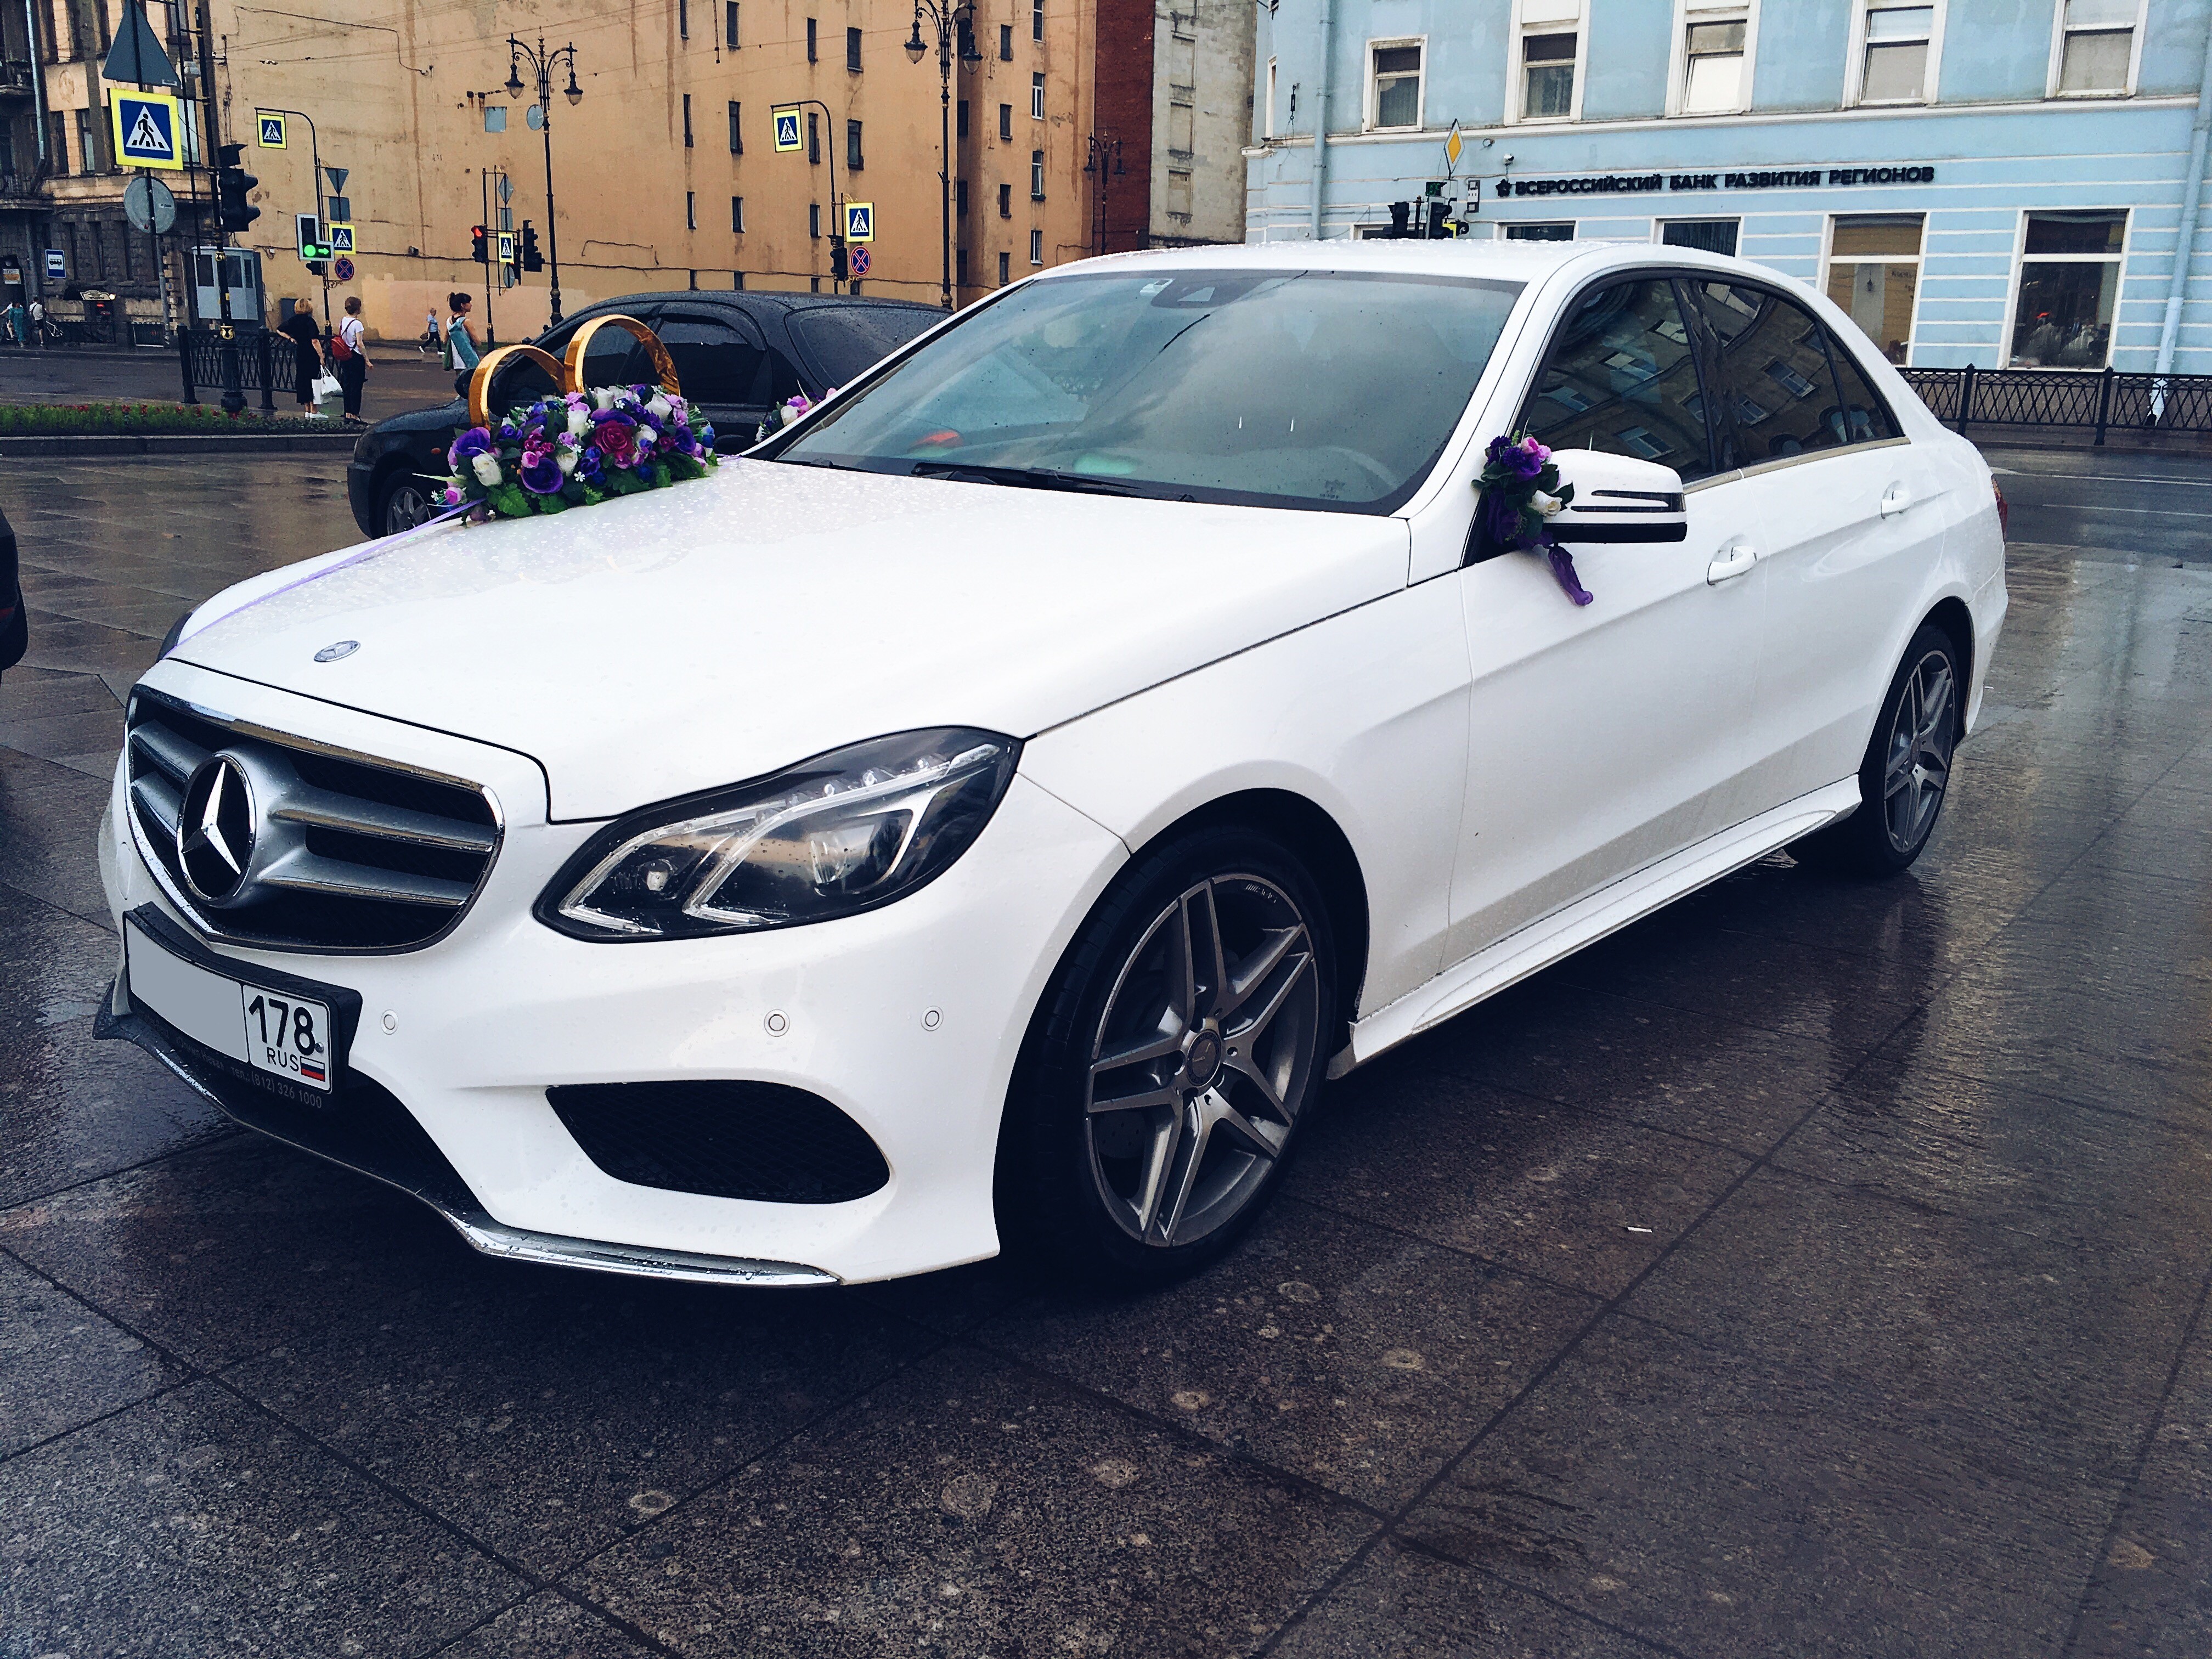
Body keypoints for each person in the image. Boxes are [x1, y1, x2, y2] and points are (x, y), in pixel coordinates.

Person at [279, 299, 326, 417]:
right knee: (314, 380)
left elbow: (279, 330)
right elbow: (314, 341)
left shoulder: (293, 321)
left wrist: (290, 338)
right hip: (311, 353)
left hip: (300, 352)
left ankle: (307, 410)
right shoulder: (310, 322)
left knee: (303, 379)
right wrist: (321, 356)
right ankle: (314, 409)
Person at [330, 294, 371, 424]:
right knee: (356, 386)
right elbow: (360, 343)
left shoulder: (344, 320)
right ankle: (355, 414)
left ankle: (347, 412)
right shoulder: (357, 324)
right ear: (358, 308)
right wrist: (367, 360)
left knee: (347, 385)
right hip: (356, 356)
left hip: (345, 356)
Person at [444, 291, 481, 396]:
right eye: (469, 303)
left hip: (456, 359)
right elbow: (477, 341)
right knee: (472, 385)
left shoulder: (449, 321)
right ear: (463, 306)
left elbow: (445, 340)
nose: (471, 305)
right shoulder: (467, 322)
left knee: (461, 385)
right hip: (469, 357)